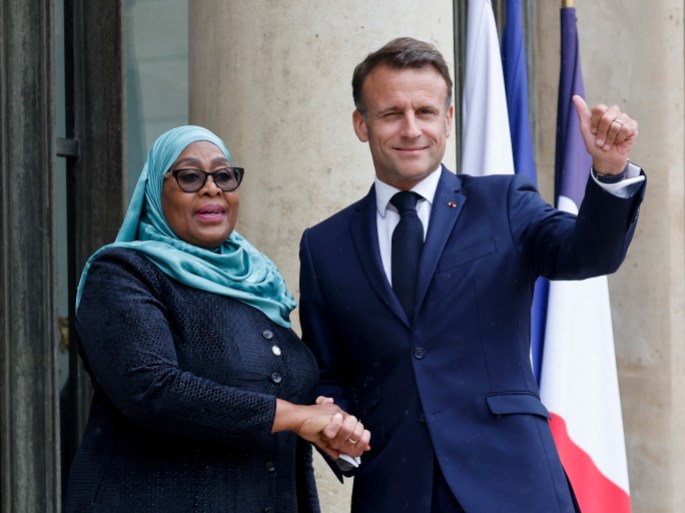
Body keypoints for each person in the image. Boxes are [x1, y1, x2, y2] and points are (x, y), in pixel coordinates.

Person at [298, 37, 646, 513]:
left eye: (425, 111)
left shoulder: (504, 202)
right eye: (390, 113)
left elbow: (586, 254)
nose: (411, 128)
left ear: (448, 119)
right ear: (362, 124)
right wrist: (333, 417)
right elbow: (332, 372)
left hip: (514, 484)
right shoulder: (323, 245)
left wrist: (608, 172)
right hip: (394, 489)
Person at [64, 125, 370, 513]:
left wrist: (329, 424)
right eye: (190, 176)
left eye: (224, 175)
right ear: (156, 192)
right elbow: (153, 390)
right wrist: (296, 416)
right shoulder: (122, 274)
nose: (212, 188)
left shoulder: (259, 285)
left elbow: (278, 397)